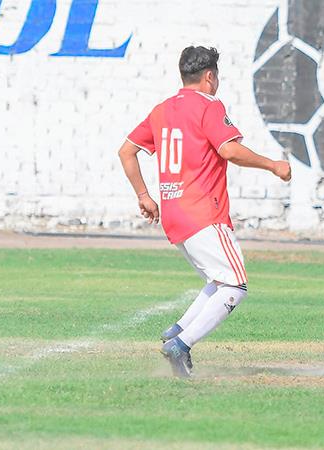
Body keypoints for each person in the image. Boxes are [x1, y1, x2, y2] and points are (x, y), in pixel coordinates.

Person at [118, 46, 291, 377]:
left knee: (219, 279)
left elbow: (126, 151)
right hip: (202, 213)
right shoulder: (209, 105)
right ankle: (181, 344)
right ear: (210, 76)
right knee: (235, 286)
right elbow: (229, 150)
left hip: (173, 214)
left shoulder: (162, 110)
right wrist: (273, 165)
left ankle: (178, 329)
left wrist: (144, 195)